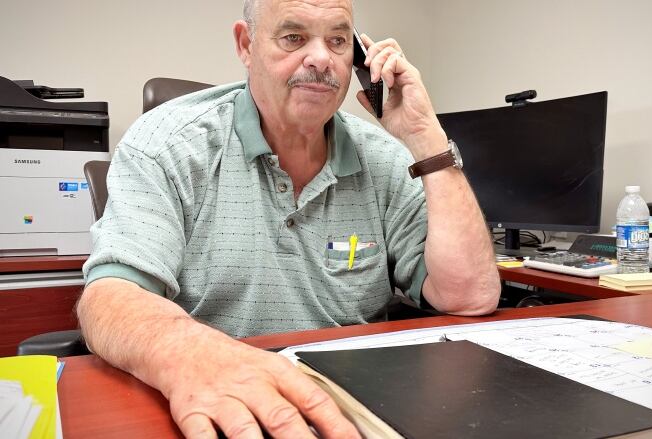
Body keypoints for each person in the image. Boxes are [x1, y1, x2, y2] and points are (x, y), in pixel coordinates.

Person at [77, 0, 500, 437]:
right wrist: (192, 354)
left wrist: (425, 136)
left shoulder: (387, 159)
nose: (320, 58)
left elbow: (471, 295)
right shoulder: (168, 144)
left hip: (353, 407)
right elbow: (110, 298)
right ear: (246, 44)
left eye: (338, 40)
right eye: (294, 37)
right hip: (213, 398)